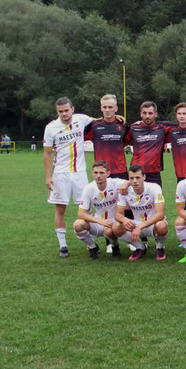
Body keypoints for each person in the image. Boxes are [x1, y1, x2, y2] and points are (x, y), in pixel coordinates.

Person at [43, 97, 96, 257]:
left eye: (66, 110)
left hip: (80, 172)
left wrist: (116, 117)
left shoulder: (81, 119)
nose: (64, 114)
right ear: (57, 112)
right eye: (61, 111)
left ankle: (91, 242)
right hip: (60, 174)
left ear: (72, 109)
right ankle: (63, 245)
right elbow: (47, 153)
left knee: (86, 208)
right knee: (60, 209)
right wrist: (47, 176)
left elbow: (99, 120)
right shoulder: (51, 128)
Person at [112, 164, 169, 261]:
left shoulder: (154, 188)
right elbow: (118, 215)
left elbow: (160, 214)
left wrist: (140, 227)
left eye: (137, 178)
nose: (134, 181)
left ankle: (160, 247)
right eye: (132, 178)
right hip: (136, 223)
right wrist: (124, 220)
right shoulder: (125, 191)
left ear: (144, 177)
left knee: (161, 225)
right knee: (116, 227)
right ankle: (140, 248)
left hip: (152, 224)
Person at [74, 160, 127, 259]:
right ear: (92, 173)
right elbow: (81, 213)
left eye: (101, 173)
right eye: (96, 172)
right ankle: (92, 247)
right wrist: (100, 221)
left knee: (108, 231)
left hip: (113, 223)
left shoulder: (115, 183)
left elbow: (131, 181)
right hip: (98, 223)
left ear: (108, 173)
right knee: (78, 224)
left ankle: (115, 246)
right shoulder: (88, 188)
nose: (98, 176)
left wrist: (125, 185)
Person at [125, 101, 174, 187]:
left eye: (150, 113)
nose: (147, 116)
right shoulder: (133, 128)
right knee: (135, 196)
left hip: (154, 173)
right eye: (144, 113)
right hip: (136, 172)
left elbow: (184, 124)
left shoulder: (162, 128)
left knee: (157, 196)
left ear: (156, 114)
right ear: (141, 114)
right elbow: (122, 141)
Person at [84, 94, 129, 180]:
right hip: (101, 171)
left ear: (116, 108)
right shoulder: (94, 126)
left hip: (120, 171)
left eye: (110, 107)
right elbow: (77, 135)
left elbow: (130, 139)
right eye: (104, 107)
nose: (107, 110)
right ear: (101, 108)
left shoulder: (122, 125)